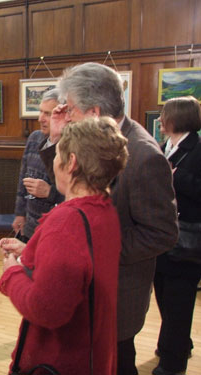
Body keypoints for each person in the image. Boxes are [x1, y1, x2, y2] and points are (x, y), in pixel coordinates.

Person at [53, 62, 178, 375]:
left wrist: (99, 247)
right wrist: (57, 136)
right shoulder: (89, 137)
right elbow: (64, 184)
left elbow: (162, 233)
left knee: (118, 366)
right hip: (83, 293)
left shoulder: (144, 156)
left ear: (94, 112)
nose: (66, 115)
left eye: (71, 109)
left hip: (116, 297)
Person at [0, 117, 128, 374]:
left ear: (72, 163)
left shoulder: (66, 221)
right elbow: (81, 265)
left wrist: (12, 272)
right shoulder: (104, 209)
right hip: (94, 352)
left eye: (57, 155)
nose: (54, 163)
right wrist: (30, 251)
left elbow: (45, 309)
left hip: (63, 358)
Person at [153, 96, 201, 375]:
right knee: (165, 297)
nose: (159, 120)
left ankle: (173, 364)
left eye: (164, 115)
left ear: (178, 118)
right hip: (163, 238)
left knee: (180, 303)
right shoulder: (164, 146)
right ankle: (176, 343)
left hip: (188, 243)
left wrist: (176, 177)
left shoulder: (198, 148)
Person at [12, 89, 64, 241]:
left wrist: (50, 192)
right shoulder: (34, 138)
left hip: (55, 231)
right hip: (29, 228)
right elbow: (23, 180)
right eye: (40, 111)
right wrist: (19, 214)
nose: (41, 118)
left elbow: (79, 195)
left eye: (48, 114)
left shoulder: (73, 145)